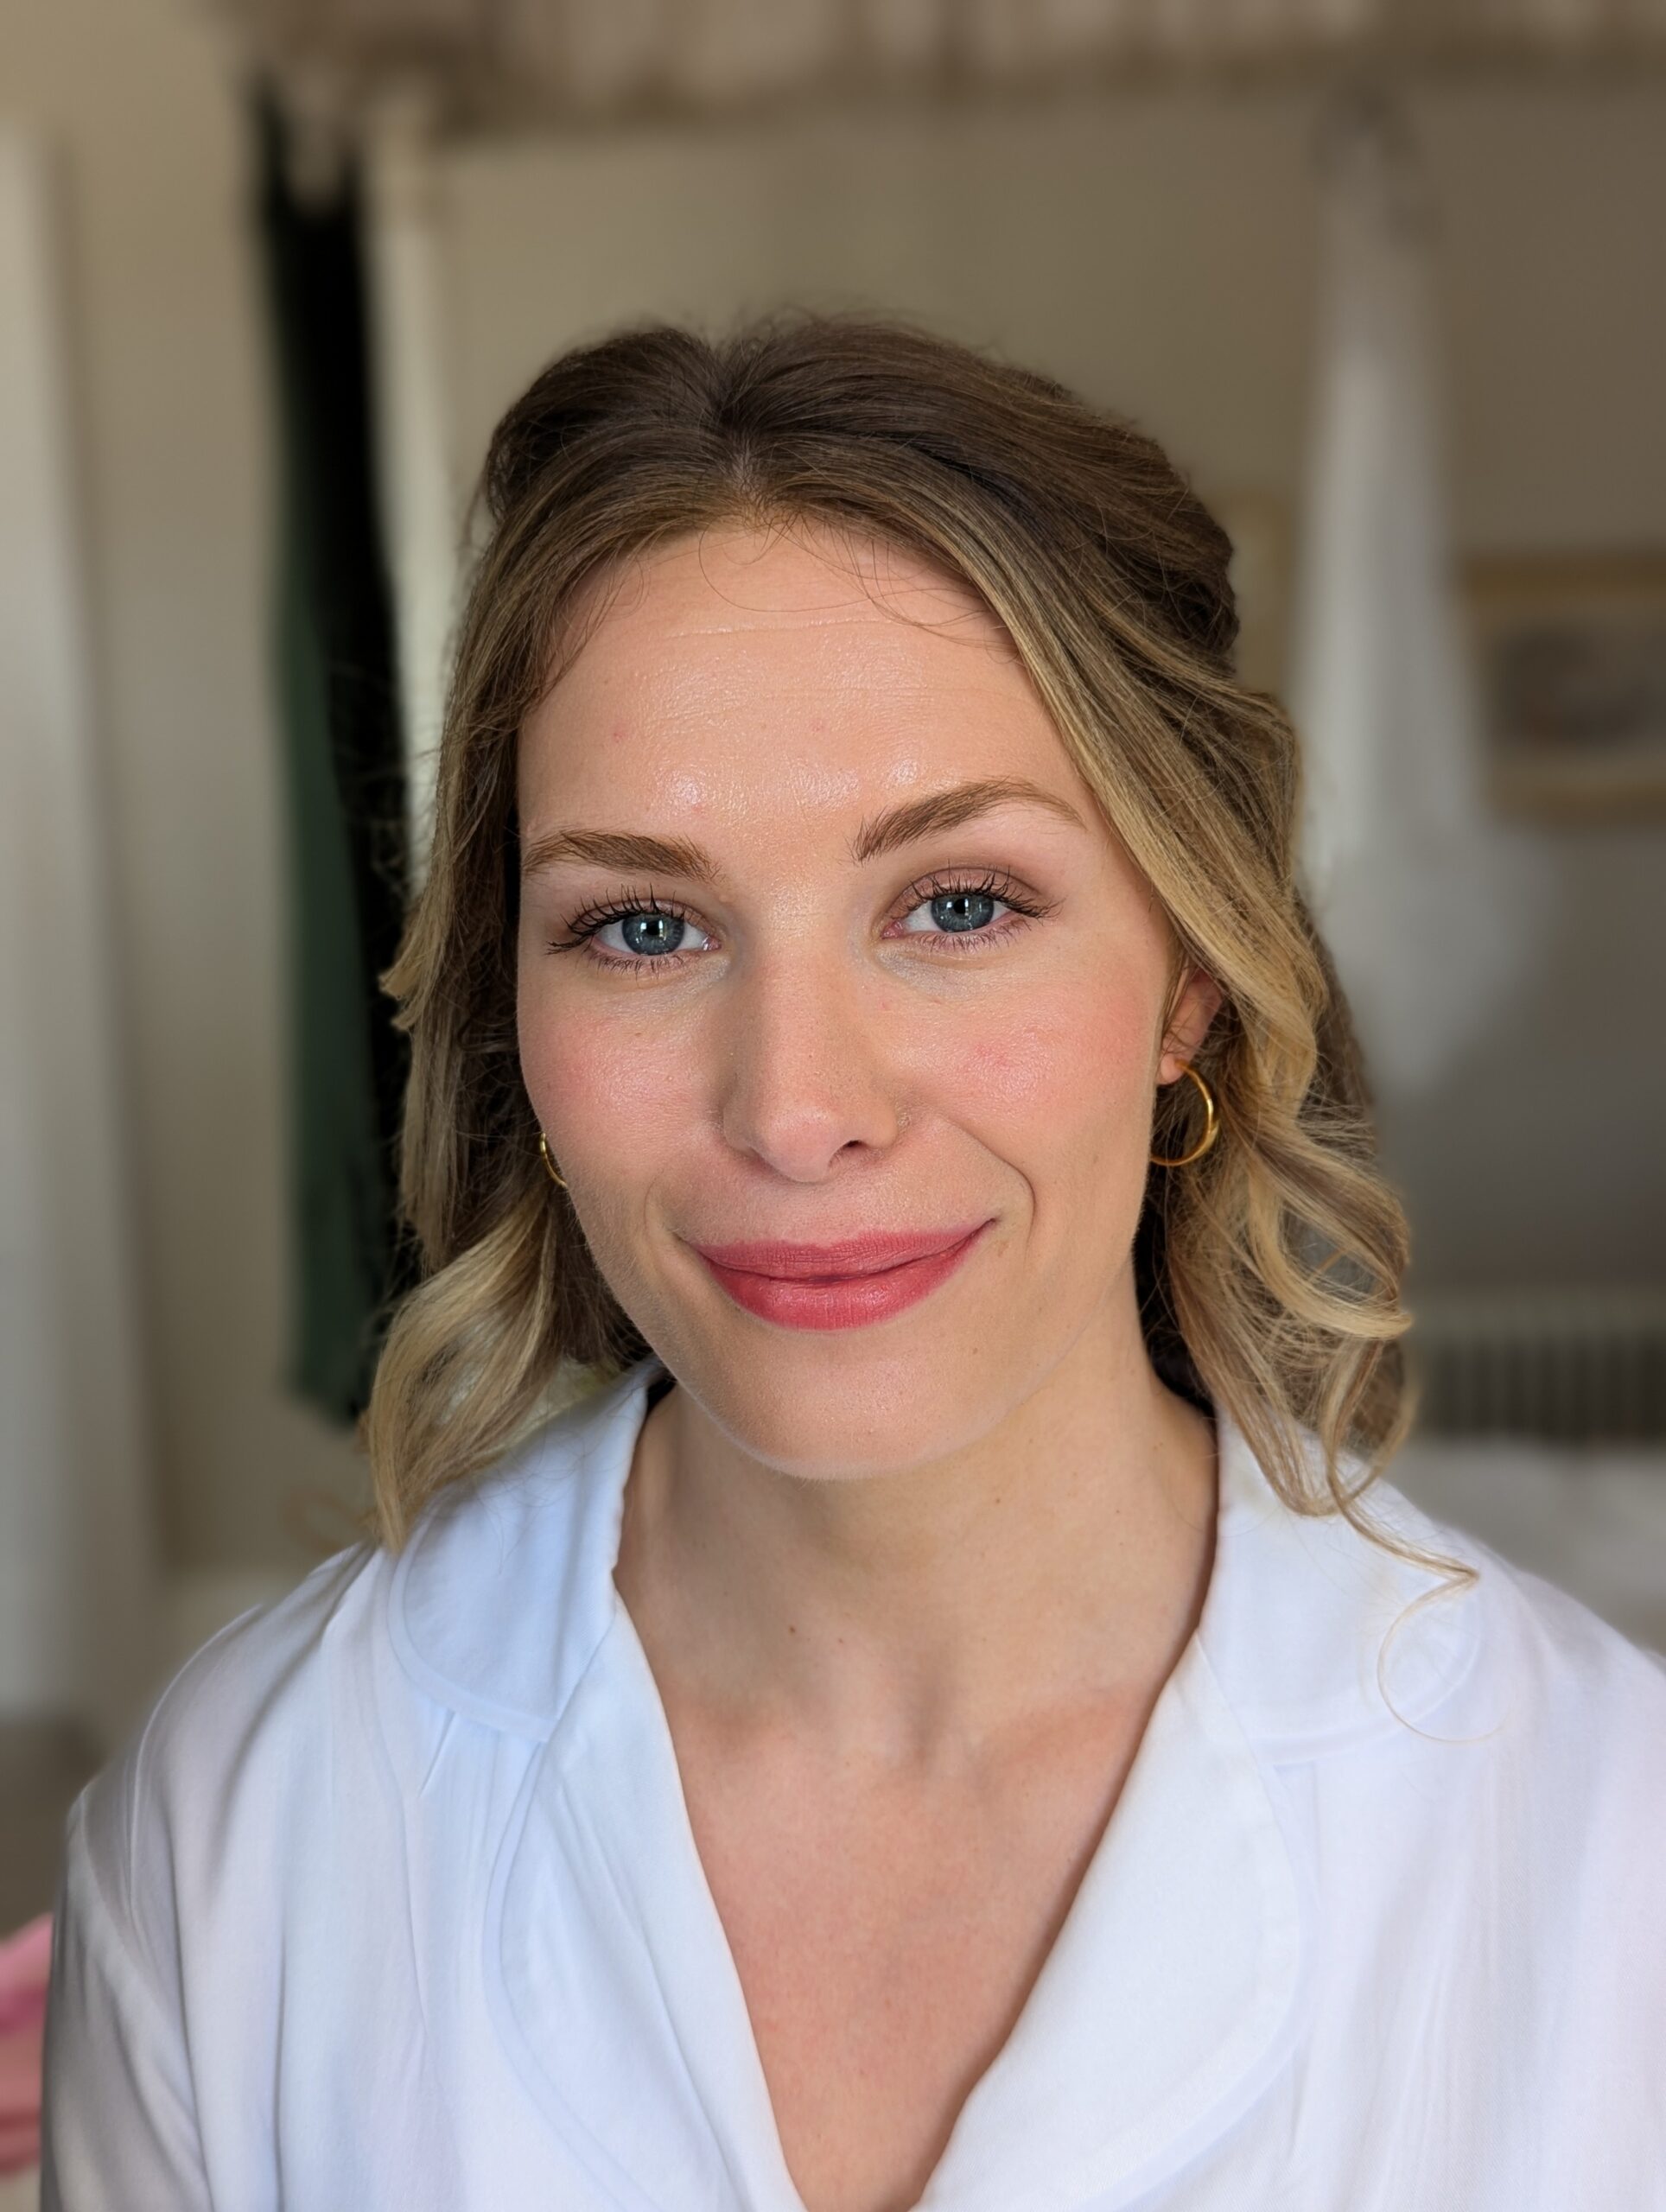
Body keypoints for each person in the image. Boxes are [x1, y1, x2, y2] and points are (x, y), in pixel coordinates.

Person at [41, 316, 1666, 2212]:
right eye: (643, 923)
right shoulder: (239, 1832)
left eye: (959, 903)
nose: (796, 1107)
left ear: (1191, 978)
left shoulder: (1596, 1834)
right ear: (510, 1009)